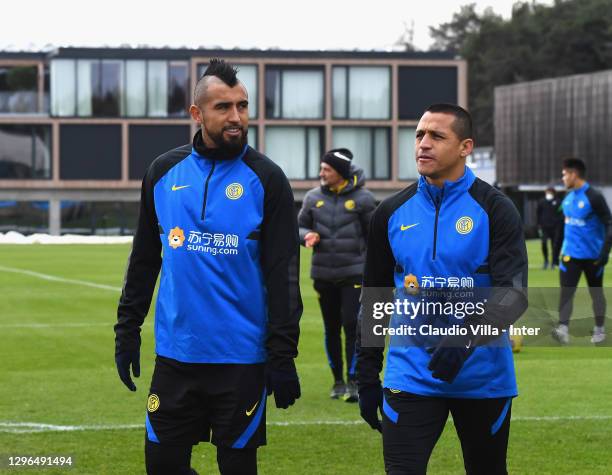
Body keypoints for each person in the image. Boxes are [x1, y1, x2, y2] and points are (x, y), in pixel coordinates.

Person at [114, 59, 302, 475]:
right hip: (176, 356)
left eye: (243, 105)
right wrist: (127, 330)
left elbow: (284, 275)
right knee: (161, 465)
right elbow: (145, 259)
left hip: (240, 360)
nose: (237, 117)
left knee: (237, 468)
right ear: (197, 114)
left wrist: (282, 355)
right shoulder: (163, 172)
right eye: (223, 107)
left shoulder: (268, 179)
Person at [356, 103, 528, 474]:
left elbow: (513, 294)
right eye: (419, 135)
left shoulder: (496, 209)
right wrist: (366, 374)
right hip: (410, 375)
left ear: (465, 147)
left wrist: (464, 338)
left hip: (483, 379)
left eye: (437, 136)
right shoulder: (390, 212)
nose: (423, 144)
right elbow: (375, 298)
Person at [297, 148, 376, 402]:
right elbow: (299, 226)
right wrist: (305, 235)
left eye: (326, 170)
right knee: (331, 328)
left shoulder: (363, 199)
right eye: (321, 169)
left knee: (352, 325)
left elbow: (372, 235)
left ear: (340, 173)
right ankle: (338, 381)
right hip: (323, 274)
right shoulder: (312, 198)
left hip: (353, 272)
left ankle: (354, 380)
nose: (321, 174)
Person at [552, 158, 611, 345]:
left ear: (573, 174)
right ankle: (562, 329)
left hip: (593, 257)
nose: (562, 179)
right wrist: (556, 252)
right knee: (566, 293)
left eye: (564, 175)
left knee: (596, 293)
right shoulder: (567, 198)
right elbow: (563, 226)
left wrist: (605, 252)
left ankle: (600, 330)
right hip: (570, 255)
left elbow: (609, 223)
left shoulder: (594, 197)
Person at [536, 186, 563, 269]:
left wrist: (559, 224)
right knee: (544, 243)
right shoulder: (541, 202)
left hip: (555, 227)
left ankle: (554, 261)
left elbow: (561, 213)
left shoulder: (558, 202)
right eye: (547, 192)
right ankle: (546, 261)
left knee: (554, 245)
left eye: (550, 192)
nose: (548, 194)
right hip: (544, 227)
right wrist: (539, 225)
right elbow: (538, 214)